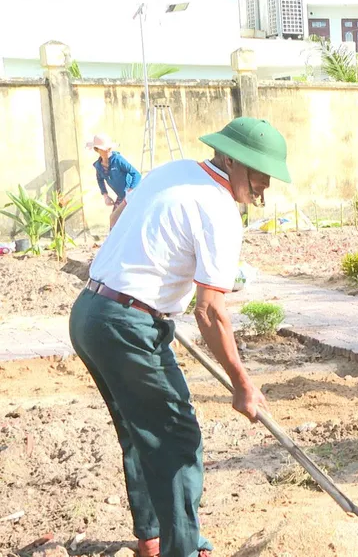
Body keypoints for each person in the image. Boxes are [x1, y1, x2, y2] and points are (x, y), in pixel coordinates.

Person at [69, 117, 291, 557]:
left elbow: (120, 216)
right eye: (259, 175)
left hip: (91, 312)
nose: (263, 187)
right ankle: (183, 550)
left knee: (140, 429)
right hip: (127, 326)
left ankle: (152, 537)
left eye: (269, 178)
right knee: (176, 438)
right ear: (232, 160)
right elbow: (210, 312)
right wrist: (242, 384)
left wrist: (145, 277)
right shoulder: (220, 210)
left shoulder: (173, 171)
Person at [86, 133, 141, 225]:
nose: (107, 150)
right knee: (113, 220)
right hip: (121, 197)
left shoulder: (118, 160)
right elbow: (100, 180)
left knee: (133, 221)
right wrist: (105, 196)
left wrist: (130, 190)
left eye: (109, 148)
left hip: (131, 196)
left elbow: (136, 174)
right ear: (97, 150)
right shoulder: (99, 166)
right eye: (104, 149)